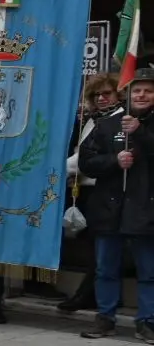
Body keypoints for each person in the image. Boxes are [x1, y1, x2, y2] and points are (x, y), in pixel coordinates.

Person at [77, 67, 154, 343]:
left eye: (148, 90)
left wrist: (141, 132)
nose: (142, 95)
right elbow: (86, 162)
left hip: (146, 210)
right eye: (137, 90)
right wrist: (113, 161)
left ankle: (147, 322)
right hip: (110, 209)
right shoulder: (107, 124)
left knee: (149, 272)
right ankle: (105, 318)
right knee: (105, 269)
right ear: (127, 93)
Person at [60, 75, 123, 313]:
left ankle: (88, 295)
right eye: (96, 95)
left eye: (107, 93)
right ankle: (91, 294)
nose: (101, 98)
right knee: (92, 246)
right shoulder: (93, 120)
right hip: (84, 189)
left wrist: (57, 171)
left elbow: (83, 160)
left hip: (103, 190)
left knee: (101, 247)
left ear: (118, 95)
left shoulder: (117, 121)